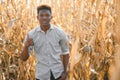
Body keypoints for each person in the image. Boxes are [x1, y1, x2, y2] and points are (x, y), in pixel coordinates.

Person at [20, 5, 70, 80]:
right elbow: (23, 58)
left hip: (58, 74)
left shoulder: (60, 33)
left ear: (51, 17)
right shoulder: (31, 35)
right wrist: (26, 46)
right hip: (41, 75)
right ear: (38, 17)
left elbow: (65, 52)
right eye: (41, 15)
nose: (44, 18)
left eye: (47, 15)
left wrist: (65, 72)